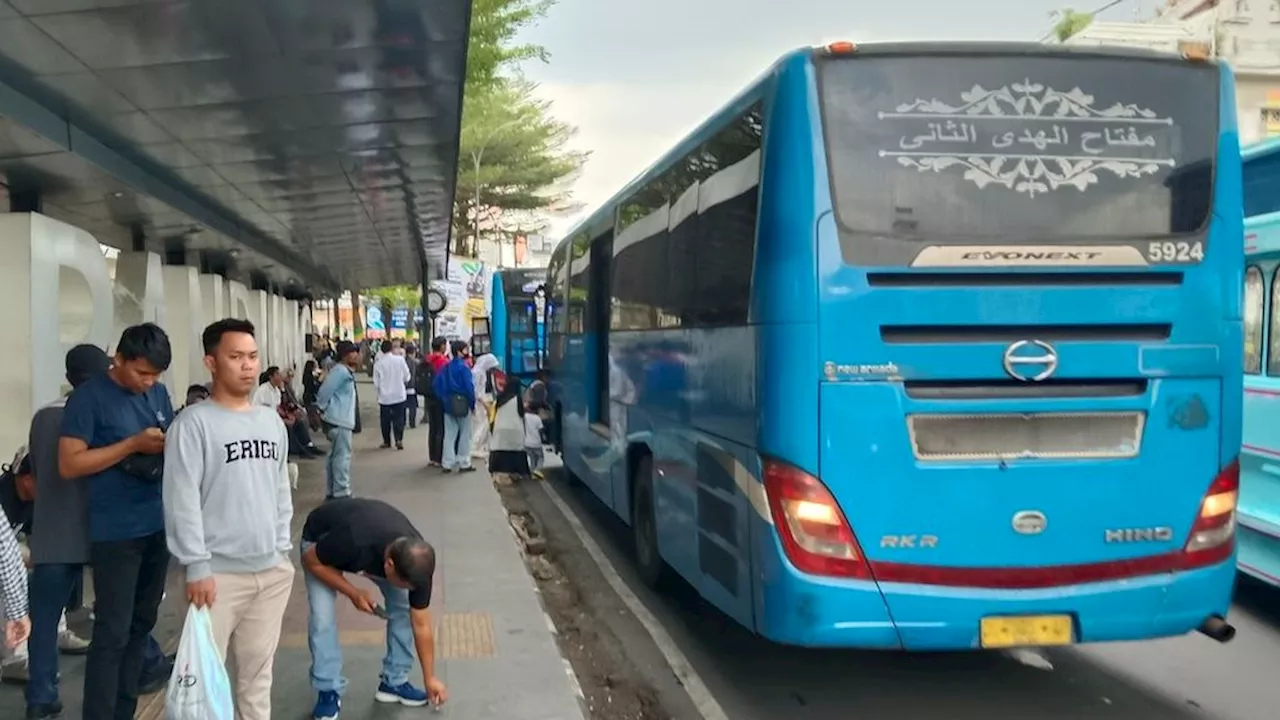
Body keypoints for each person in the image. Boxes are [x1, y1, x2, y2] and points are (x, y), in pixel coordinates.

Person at [164, 318, 295, 720]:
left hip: (270, 572)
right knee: (204, 682)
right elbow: (180, 498)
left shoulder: (270, 422)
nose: (248, 366)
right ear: (211, 362)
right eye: (235, 356)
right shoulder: (193, 424)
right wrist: (196, 565)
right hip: (216, 577)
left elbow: (279, 490)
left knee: (258, 678)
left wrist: (281, 551)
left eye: (253, 357)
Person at [59, 323, 174, 720]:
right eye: (142, 373)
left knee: (141, 626)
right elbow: (70, 463)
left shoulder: (157, 393)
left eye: (156, 375)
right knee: (112, 632)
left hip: (156, 525)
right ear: (119, 359)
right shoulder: (88, 400)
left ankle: (124, 710)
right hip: (116, 533)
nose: (149, 383)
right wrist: (130, 446)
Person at [21, 345, 109, 718]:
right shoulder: (102, 412)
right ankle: (133, 676)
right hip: (97, 532)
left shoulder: (43, 416)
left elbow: (37, 471)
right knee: (115, 611)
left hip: (51, 534)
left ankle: (41, 695)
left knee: (43, 620)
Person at [300, 498, 447, 720]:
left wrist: (430, 678)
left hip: (367, 547)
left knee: (403, 607)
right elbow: (310, 560)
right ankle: (327, 689)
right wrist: (353, 592)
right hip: (321, 545)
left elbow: (421, 624)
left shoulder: (418, 566)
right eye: (402, 583)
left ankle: (394, 681)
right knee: (323, 617)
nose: (408, 589)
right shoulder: (353, 539)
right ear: (388, 566)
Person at [316, 341, 361, 499]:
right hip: (340, 419)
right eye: (353, 352)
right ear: (345, 355)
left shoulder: (343, 371)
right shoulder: (340, 372)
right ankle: (342, 490)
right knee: (342, 456)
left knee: (334, 456)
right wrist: (321, 408)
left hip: (337, 419)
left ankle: (332, 489)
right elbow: (325, 391)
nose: (356, 355)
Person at [432, 342, 476, 473]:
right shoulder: (464, 368)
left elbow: (436, 384)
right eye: (465, 349)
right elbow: (469, 388)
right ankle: (463, 462)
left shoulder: (446, 367)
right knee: (465, 434)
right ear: (459, 352)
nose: (467, 351)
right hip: (463, 403)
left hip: (449, 404)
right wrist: (472, 404)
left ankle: (447, 463)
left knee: (449, 435)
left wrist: (444, 398)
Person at [486, 363, 530, 477]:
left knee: (500, 448)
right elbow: (521, 413)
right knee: (516, 449)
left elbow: (493, 414)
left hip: (500, 429)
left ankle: (497, 468)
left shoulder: (500, 398)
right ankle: (517, 470)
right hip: (514, 429)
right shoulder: (517, 398)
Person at [372, 340, 410, 450]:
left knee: (385, 420)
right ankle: (399, 439)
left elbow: (376, 382)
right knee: (399, 418)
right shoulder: (400, 360)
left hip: (385, 397)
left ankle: (386, 441)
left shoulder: (378, 364)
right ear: (392, 349)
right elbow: (407, 376)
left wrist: (379, 391)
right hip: (399, 394)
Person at [421, 338, 449, 466]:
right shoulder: (443, 361)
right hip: (440, 397)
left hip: (428, 395)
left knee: (432, 427)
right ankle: (439, 458)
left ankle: (432, 457)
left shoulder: (427, 359)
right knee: (440, 428)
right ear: (442, 346)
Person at [470, 353, 500, 459]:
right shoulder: (478, 373)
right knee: (480, 425)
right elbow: (476, 390)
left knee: (485, 425)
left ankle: (480, 446)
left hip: (483, 400)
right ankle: (474, 448)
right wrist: (484, 403)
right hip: (479, 402)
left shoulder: (482, 371)